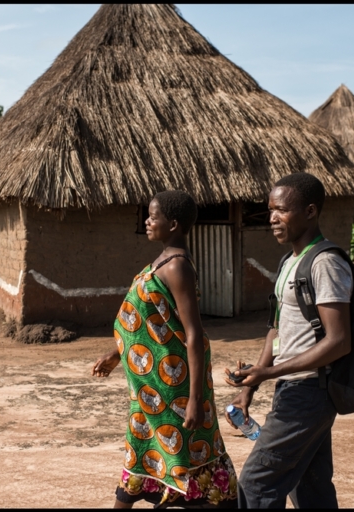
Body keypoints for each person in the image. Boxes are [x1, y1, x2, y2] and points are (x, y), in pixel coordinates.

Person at [93, 190, 238, 509]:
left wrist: (195, 400)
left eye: (153, 216)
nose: (147, 221)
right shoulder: (162, 262)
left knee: (189, 454)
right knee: (143, 450)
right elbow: (151, 321)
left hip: (175, 388)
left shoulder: (177, 267)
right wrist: (117, 354)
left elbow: (193, 334)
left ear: (173, 224)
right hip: (150, 387)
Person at [223, 173, 352, 509]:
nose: (272, 218)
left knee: (256, 484)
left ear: (310, 211)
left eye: (281, 210)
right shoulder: (290, 262)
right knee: (310, 487)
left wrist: (270, 373)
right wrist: (250, 386)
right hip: (294, 389)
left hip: (310, 392)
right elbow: (277, 330)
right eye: (270, 210)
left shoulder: (325, 263)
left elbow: (339, 341)